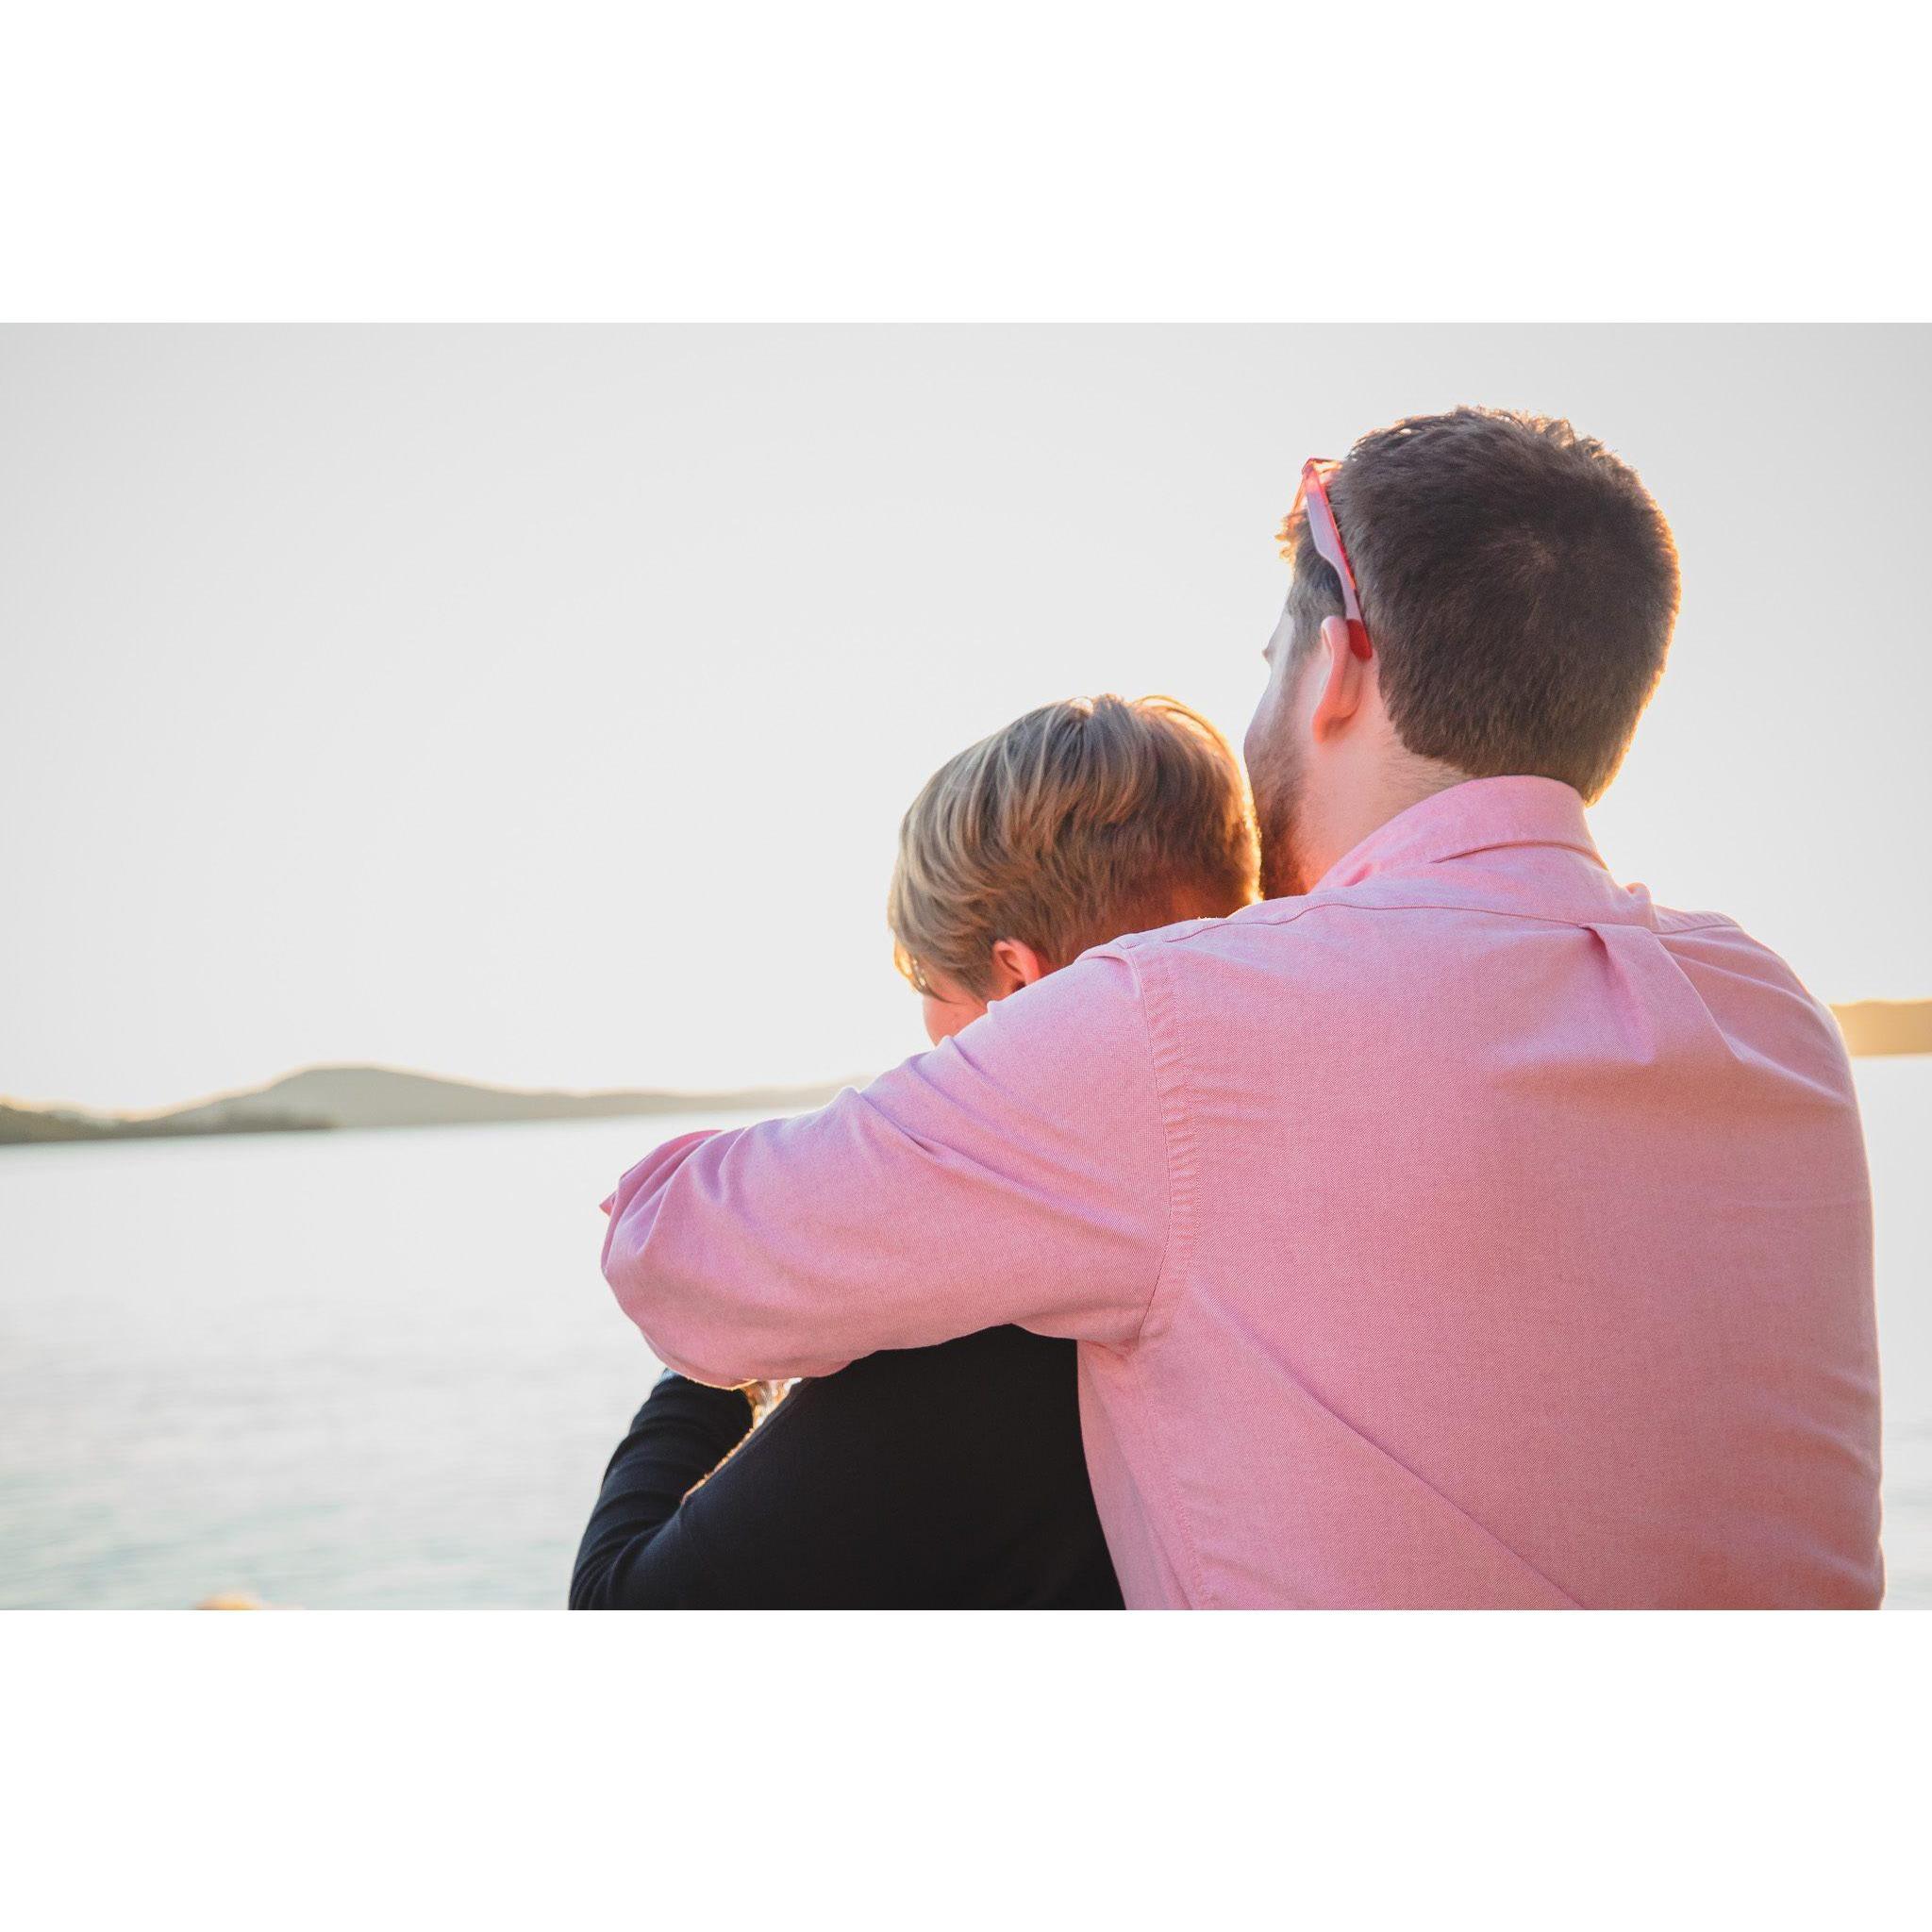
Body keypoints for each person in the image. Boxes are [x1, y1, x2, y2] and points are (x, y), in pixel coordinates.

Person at [602, 408, 1885, 1609]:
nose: (1258, 703)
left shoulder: (1176, 1032)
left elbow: (678, 1256)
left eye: (1270, 658)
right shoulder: (1779, 1028)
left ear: (1336, 665)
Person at [573, 695, 1257, 1607]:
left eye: (935, 993)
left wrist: (717, 1365)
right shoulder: (1320, 1134)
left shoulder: (995, 1349)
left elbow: (623, 1610)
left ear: (1020, 980)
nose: (934, 1043)